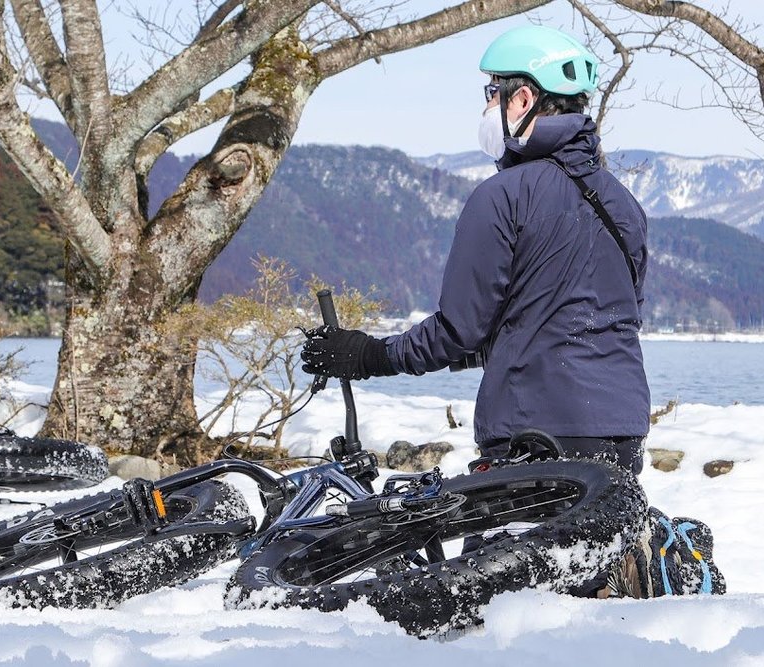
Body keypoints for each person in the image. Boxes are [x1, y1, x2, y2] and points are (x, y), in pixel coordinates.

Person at [301, 25, 724, 598]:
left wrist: (367, 354)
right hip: (621, 432)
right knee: (595, 602)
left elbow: (458, 329)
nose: (487, 107)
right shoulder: (624, 203)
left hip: (534, 434)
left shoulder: (501, 196)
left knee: (497, 615)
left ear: (523, 99)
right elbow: (584, 318)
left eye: (491, 94)